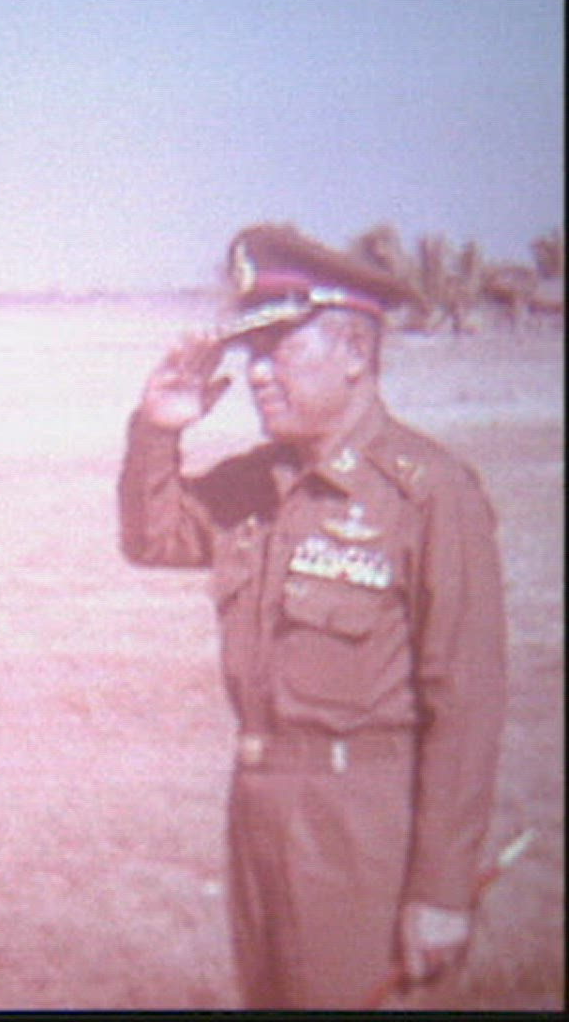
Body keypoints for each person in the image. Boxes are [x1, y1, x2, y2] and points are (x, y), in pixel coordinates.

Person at [117, 223, 507, 1009]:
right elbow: (154, 537)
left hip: (363, 826)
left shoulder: (427, 493)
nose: (257, 373)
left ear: (355, 352)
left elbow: (465, 704)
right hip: (259, 810)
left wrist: (441, 887)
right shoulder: (260, 484)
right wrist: (158, 430)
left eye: (278, 350)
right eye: (250, 353)